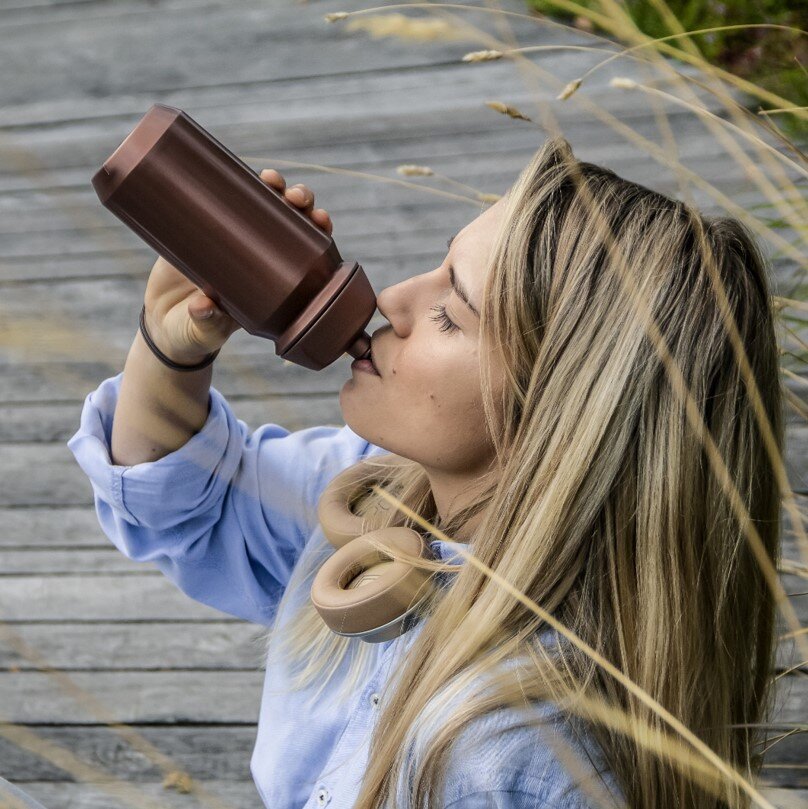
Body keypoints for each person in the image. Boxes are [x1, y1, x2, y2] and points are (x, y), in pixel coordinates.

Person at [67, 136, 783, 809]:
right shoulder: (378, 496)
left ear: (559, 411)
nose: (392, 298)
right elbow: (195, 506)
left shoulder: (520, 759)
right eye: (439, 265)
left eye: (451, 311)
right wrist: (173, 350)